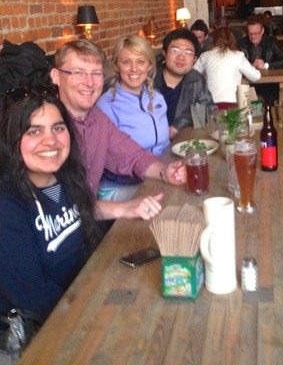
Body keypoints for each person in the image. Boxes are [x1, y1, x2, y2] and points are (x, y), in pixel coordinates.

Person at [0, 91, 105, 322]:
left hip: (83, 298)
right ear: (12, 140)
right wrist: (94, 311)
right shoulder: (7, 206)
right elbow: (33, 296)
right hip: (48, 327)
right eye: (34, 131)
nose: (50, 140)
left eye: (58, 128)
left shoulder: (68, 179)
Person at [50, 39, 185, 211]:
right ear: (56, 76)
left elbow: (132, 156)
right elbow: (58, 209)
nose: (89, 83)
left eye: (96, 74)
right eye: (78, 73)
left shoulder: (97, 119)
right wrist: (124, 208)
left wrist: (165, 172)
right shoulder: (46, 127)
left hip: (89, 216)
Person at [96, 35, 170, 158]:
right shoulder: (106, 106)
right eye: (126, 62)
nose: (134, 69)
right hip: (135, 170)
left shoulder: (157, 97)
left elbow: (165, 143)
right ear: (117, 66)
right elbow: (108, 157)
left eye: (141, 62)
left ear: (149, 65)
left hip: (166, 165)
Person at [154, 28, 214, 137]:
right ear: (165, 53)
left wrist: (181, 123)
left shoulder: (196, 80)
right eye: (175, 50)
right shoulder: (148, 80)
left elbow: (208, 108)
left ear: (194, 59)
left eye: (188, 52)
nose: (181, 57)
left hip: (182, 142)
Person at [193, 27, 260, 108]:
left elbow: (192, 75)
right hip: (232, 105)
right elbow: (256, 77)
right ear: (232, 39)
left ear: (214, 39)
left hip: (210, 105)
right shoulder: (238, 56)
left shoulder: (204, 56)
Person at [239, 15, 283, 104]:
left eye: (256, 33)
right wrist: (249, 67)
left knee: (271, 96)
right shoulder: (243, 43)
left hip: (269, 84)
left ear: (262, 31)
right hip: (249, 84)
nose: (253, 36)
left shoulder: (271, 42)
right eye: (250, 34)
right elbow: (236, 65)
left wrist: (266, 65)